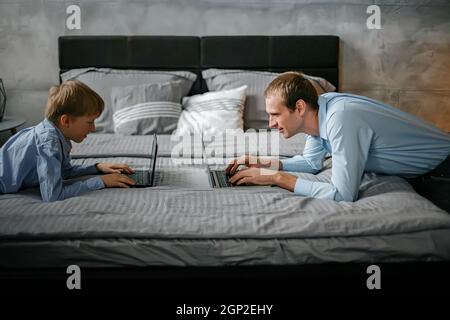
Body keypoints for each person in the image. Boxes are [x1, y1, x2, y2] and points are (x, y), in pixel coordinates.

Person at [226, 72, 450, 212]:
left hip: (442, 172)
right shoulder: (319, 110)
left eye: (275, 114)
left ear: (300, 108)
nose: (271, 123)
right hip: (426, 173)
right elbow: (312, 163)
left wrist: (277, 178)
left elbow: (343, 195)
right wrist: (266, 164)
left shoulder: (341, 118)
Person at [0, 80, 135, 202]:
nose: (93, 128)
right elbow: (53, 195)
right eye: (90, 122)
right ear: (65, 121)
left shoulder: (58, 136)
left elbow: (64, 171)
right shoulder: (49, 143)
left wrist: (97, 167)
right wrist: (101, 182)